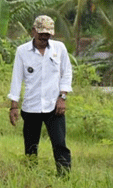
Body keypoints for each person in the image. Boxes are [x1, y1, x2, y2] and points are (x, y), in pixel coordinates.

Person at [8, 15, 73, 176]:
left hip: (54, 106)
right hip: (31, 106)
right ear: (33, 31)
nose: (44, 37)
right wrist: (13, 106)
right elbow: (16, 79)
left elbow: (67, 74)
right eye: (41, 34)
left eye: (48, 34)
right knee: (31, 147)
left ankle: (64, 177)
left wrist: (62, 98)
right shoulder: (22, 51)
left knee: (59, 144)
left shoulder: (59, 49)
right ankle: (31, 177)